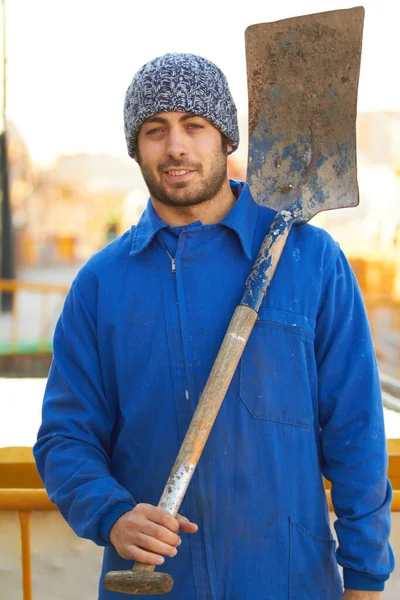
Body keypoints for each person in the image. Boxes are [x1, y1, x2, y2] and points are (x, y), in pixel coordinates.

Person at [34, 53, 394, 599]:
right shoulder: (100, 285)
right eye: (155, 130)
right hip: (156, 586)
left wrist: (366, 578)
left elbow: (355, 430)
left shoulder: (309, 259)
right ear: (135, 149)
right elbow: (65, 437)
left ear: (226, 139)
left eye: (194, 126)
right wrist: (112, 515)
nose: (175, 146)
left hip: (287, 581)